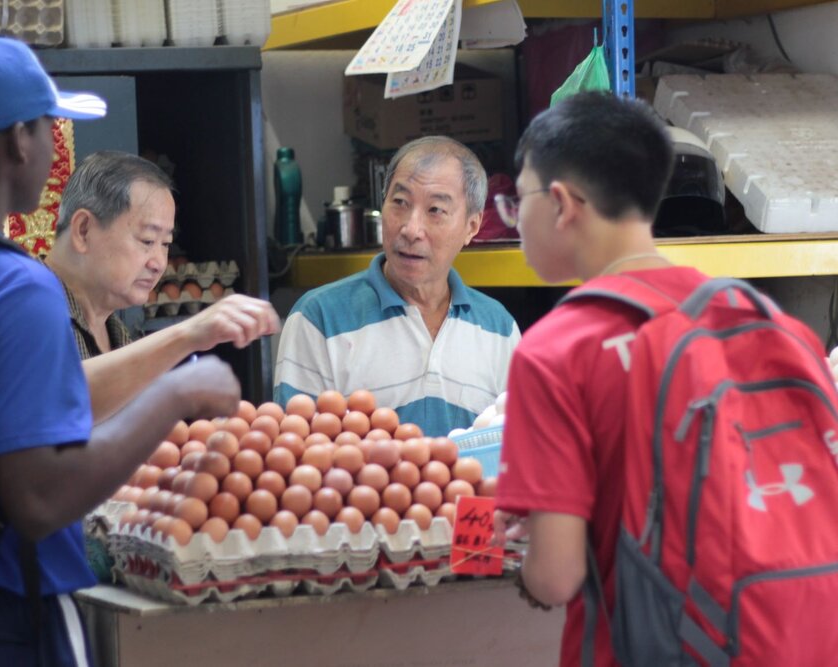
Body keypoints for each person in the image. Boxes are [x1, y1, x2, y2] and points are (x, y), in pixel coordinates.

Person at [0, 36, 240, 667]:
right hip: (1, 619)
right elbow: (37, 500)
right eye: (47, 126)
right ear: (17, 143)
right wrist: (177, 391)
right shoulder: (16, 286)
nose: (53, 149)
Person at [490, 92, 701, 666]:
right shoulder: (754, 317)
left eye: (518, 198)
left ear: (560, 203)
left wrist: (528, 570)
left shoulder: (557, 349)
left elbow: (557, 578)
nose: (515, 217)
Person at [273, 135, 521, 437]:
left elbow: (512, 447)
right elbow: (296, 454)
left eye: (435, 210)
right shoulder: (319, 318)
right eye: (400, 203)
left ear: (471, 227)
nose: (411, 229)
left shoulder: (499, 328)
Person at [46, 150, 280, 421]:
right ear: (84, 229)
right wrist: (188, 334)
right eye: (147, 240)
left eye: (166, 244)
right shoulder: (22, 303)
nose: (159, 262)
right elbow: (53, 402)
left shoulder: (115, 331)